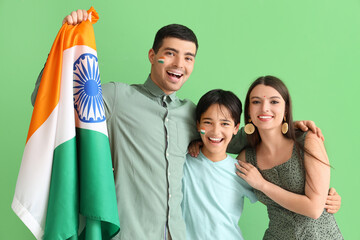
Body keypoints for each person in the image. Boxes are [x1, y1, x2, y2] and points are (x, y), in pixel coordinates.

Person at [31, 9, 337, 240]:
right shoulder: (115, 96)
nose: (180, 64)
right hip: (128, 234)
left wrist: (290, 127)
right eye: (170, 54)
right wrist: (65, 42)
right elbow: (46, 103)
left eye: (189, 57)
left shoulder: (194, 116)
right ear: (153, 56)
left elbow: (244, 137)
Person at [236, 76, 343, 239]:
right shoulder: (246, 158)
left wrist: (263, 185)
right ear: (249, 111)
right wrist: (195, 144)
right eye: (256, 102)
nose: (264, 108)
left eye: (274, 102)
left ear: (286, 109)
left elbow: (314, 209)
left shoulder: (308, 140)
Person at [182, 89, 257, 239]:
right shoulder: (183, 162)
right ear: (198, 125)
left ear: (236, 128)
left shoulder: (242, 171)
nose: (216, 131)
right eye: (208, 122)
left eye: (225, 123)